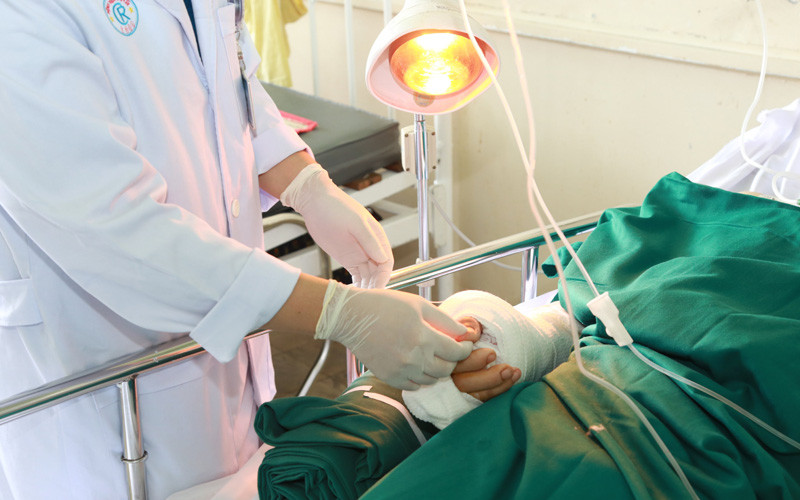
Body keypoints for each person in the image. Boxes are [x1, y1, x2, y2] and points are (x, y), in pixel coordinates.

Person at [0, 1, 472, 499]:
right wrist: (336, 312)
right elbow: (114, 228)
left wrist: (305, 183)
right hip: (103, 386)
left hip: (219, 363)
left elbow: (231, 86)